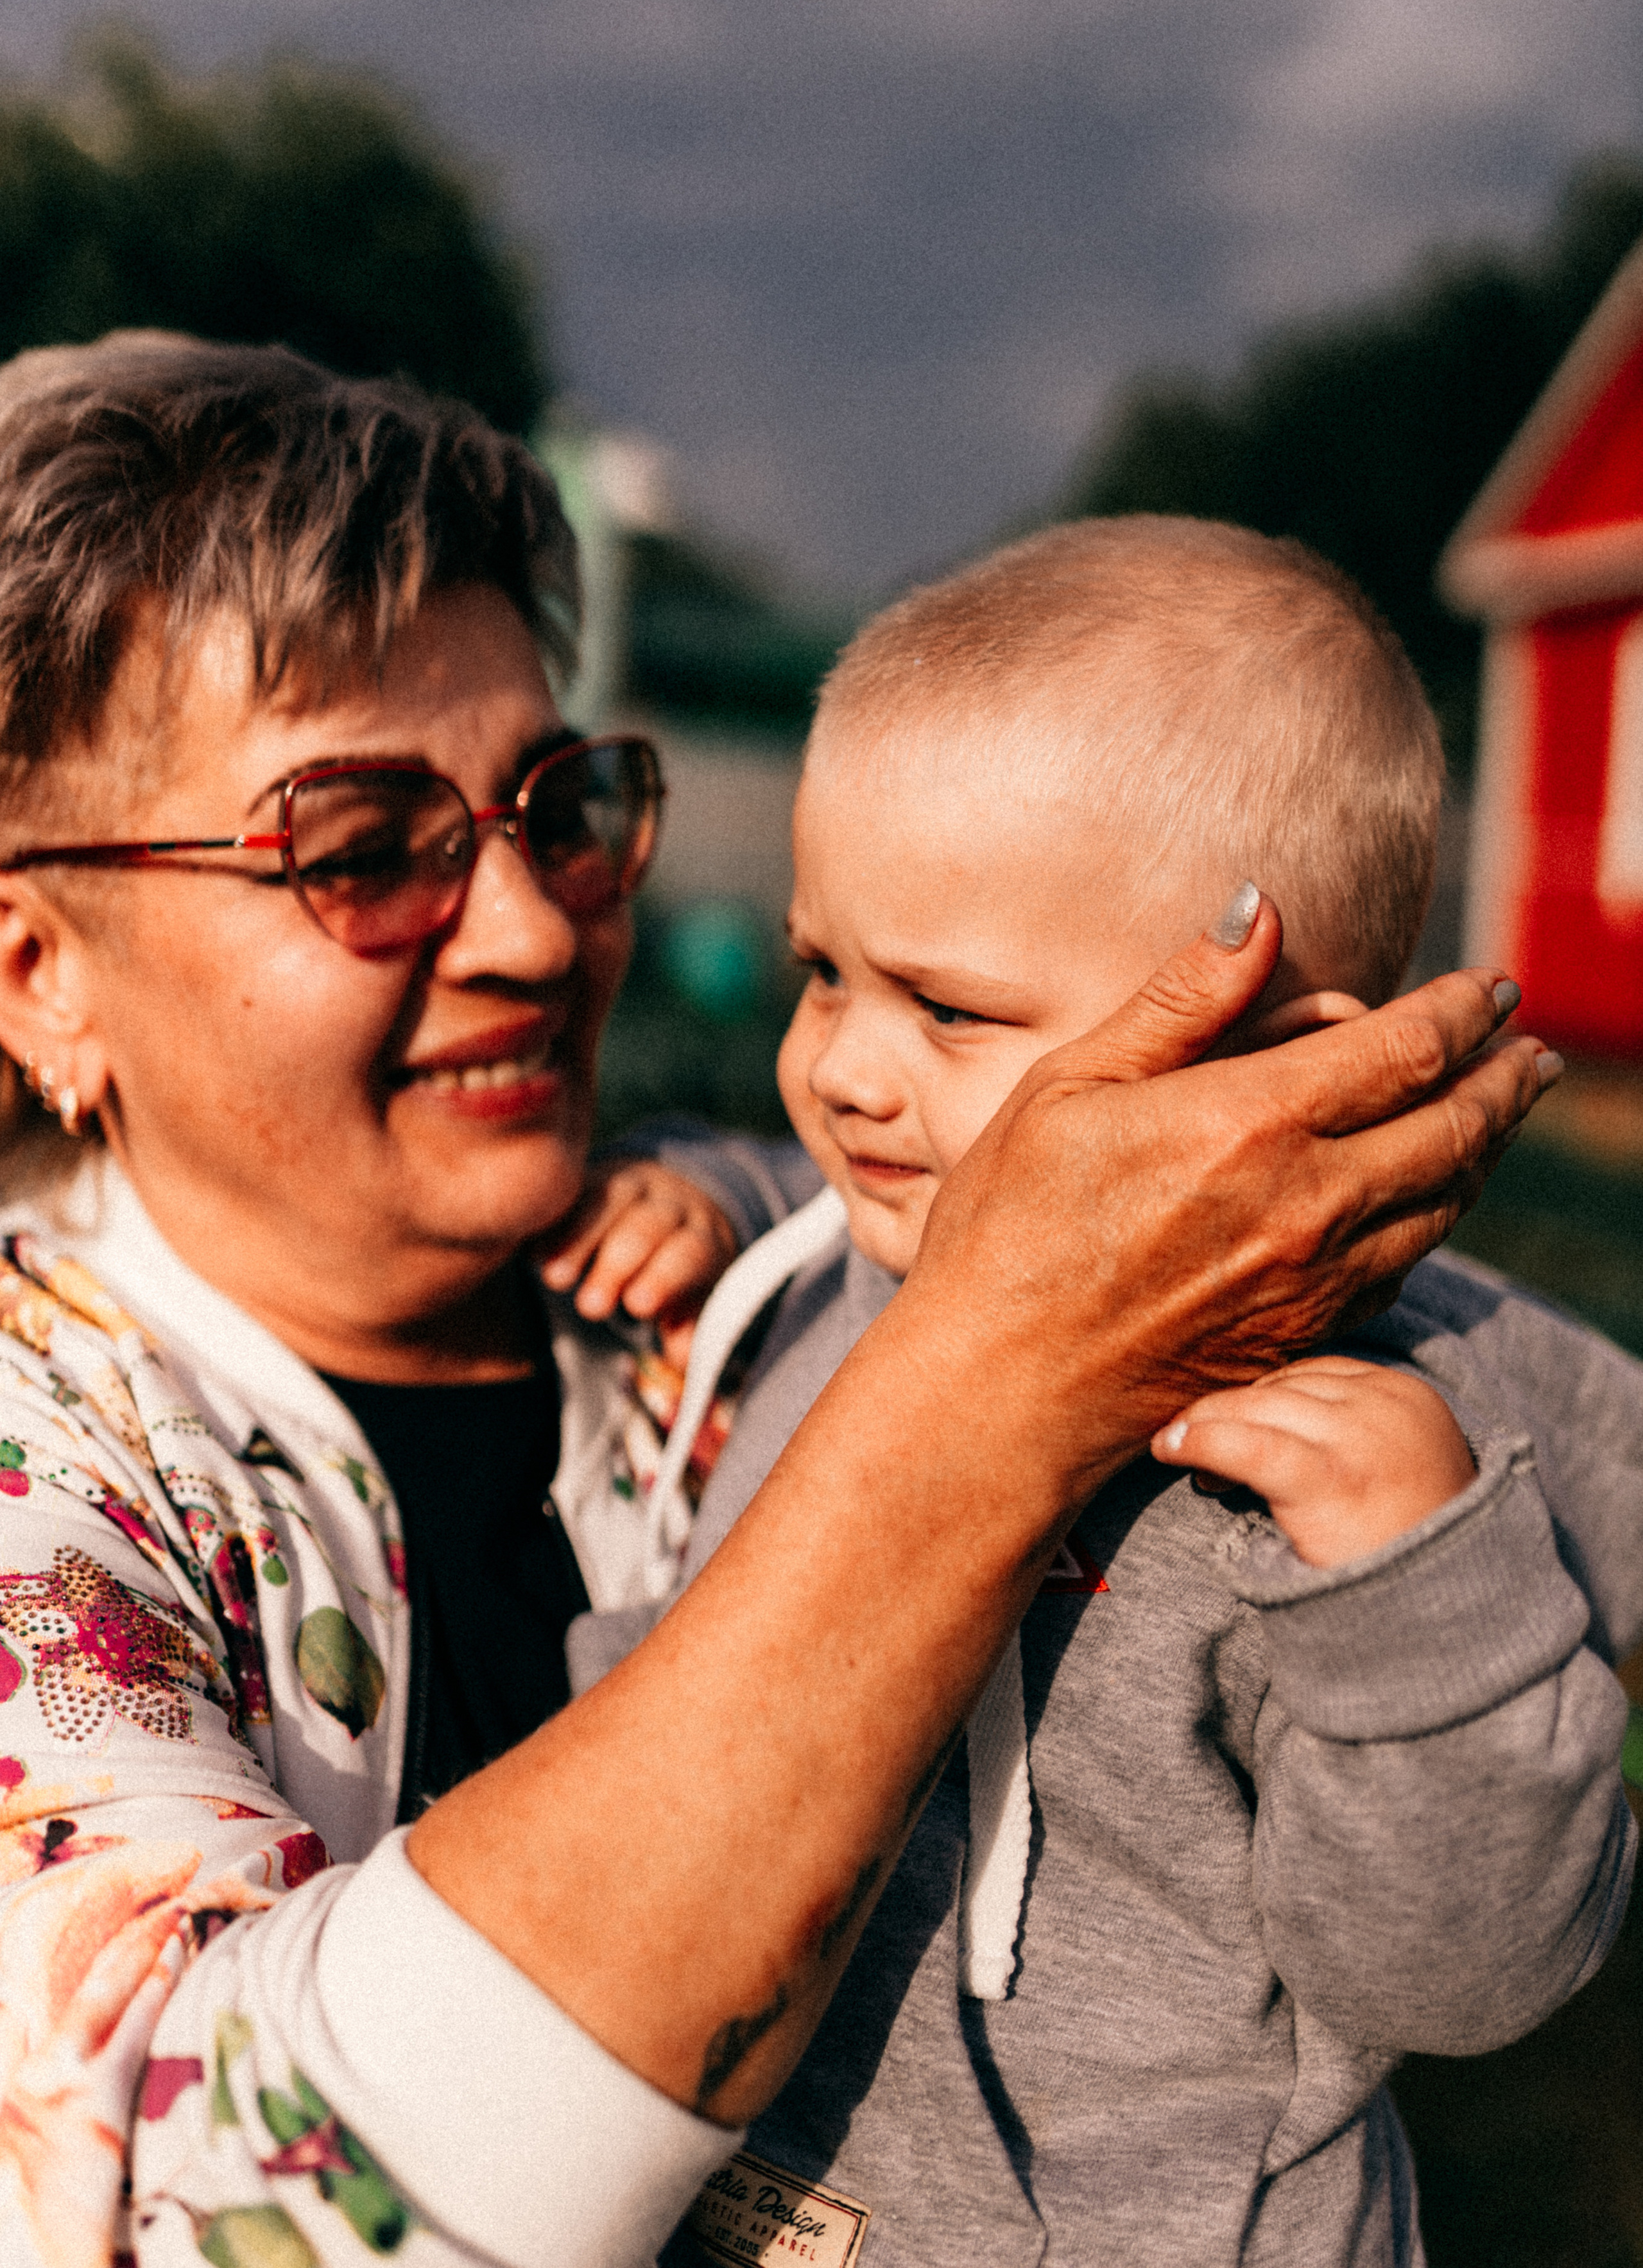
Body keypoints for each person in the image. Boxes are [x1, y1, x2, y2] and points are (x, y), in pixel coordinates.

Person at [0, 343, 1546, 2268]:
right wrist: (994, 1385)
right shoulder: (40, 1473)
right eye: (365, 847)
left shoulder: (726, 1271)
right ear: (42, 970)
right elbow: (181, 2197)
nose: (537, 925)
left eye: (560, 805)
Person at [571, 518, 1639, 2268]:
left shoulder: (1357, 1454)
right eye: (819, 970)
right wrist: (710, 1189)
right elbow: (822, 1187)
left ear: (1272, 1066)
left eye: (947, 1008)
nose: (841, 1064)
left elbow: (1463, 1975)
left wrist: (1421, 1593)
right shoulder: (848, 1260)